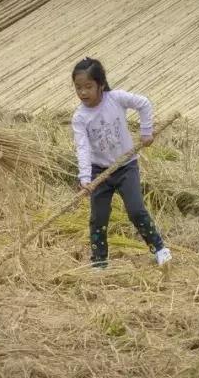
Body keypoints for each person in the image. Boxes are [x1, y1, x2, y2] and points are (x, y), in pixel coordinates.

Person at [71, 57, 171, 268]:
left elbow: (143, 103)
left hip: (126, 166)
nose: (83, 92)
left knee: (136, 210)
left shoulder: (116, 99)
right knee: (98, 218)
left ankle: (160, 249)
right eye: (78, 87)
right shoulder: (80, 117)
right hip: (100, 172)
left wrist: (146, 131)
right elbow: (83, 147)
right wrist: (85, 178)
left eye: (88, 86)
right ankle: (99, 261)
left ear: (100, 84)